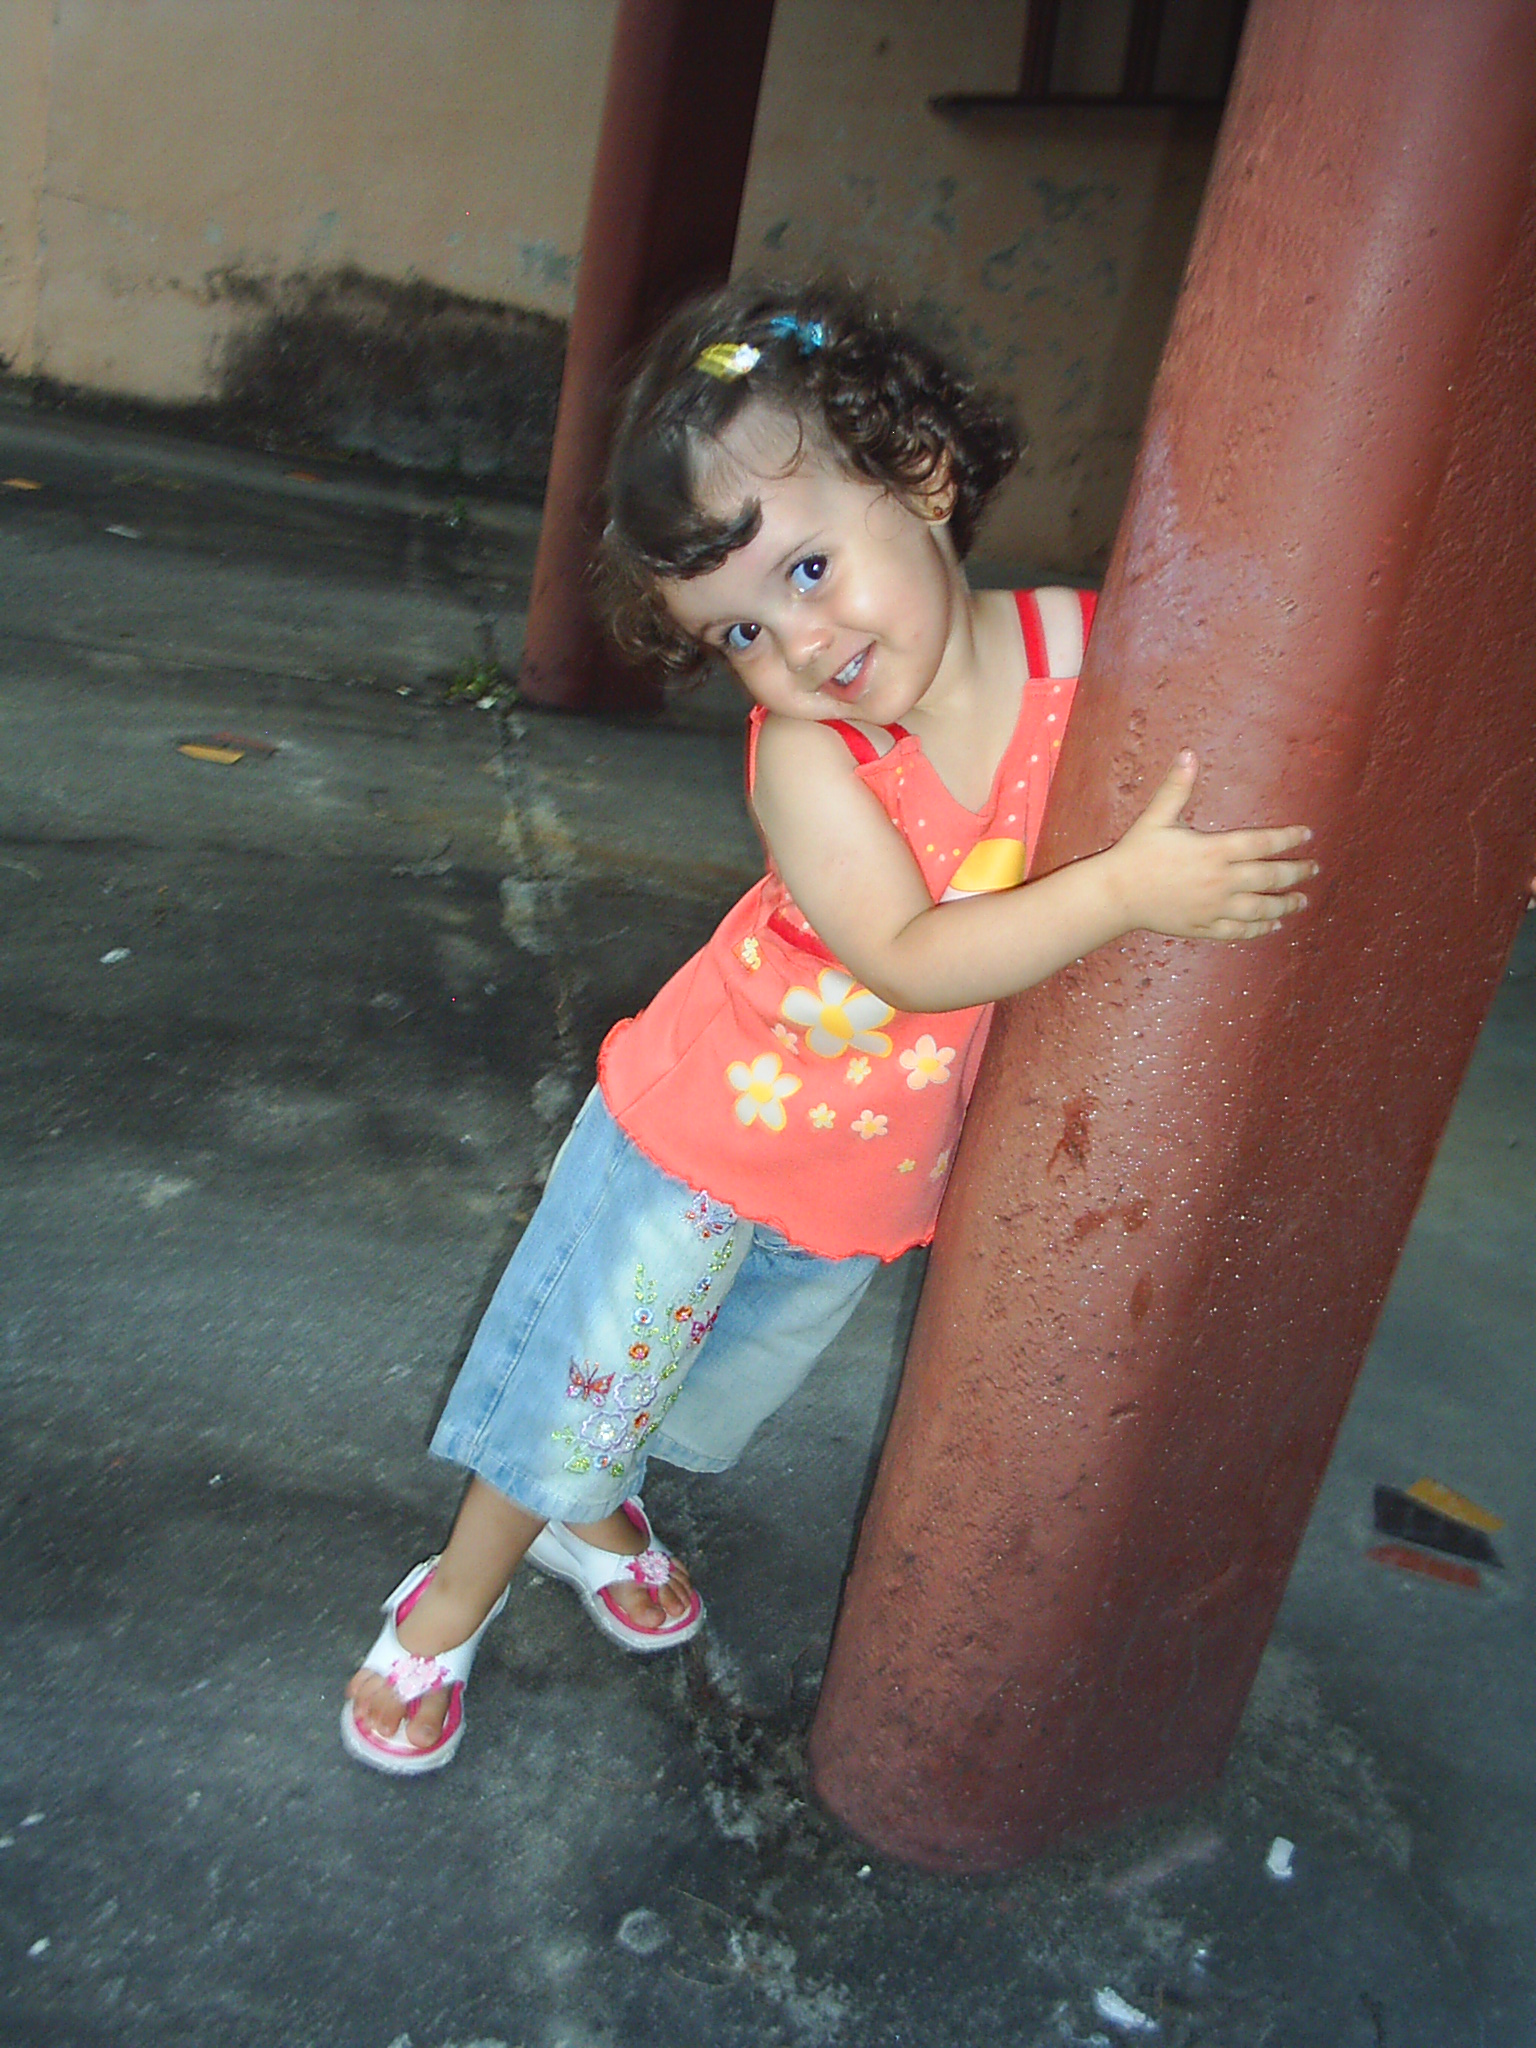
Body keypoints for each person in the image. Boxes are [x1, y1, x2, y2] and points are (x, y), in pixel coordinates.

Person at [341, 280, 1317, 1774]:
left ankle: (593, 1516)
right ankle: (446, 1605)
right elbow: (914, 958)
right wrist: (1126, 891)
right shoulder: (811, 757)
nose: (796, 644)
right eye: (739, 626)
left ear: (921, 474)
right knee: (582, 1383)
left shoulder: (1087, 654)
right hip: (705, 1134)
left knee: (703, 1377)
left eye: (808, 567)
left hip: (867, 1174)